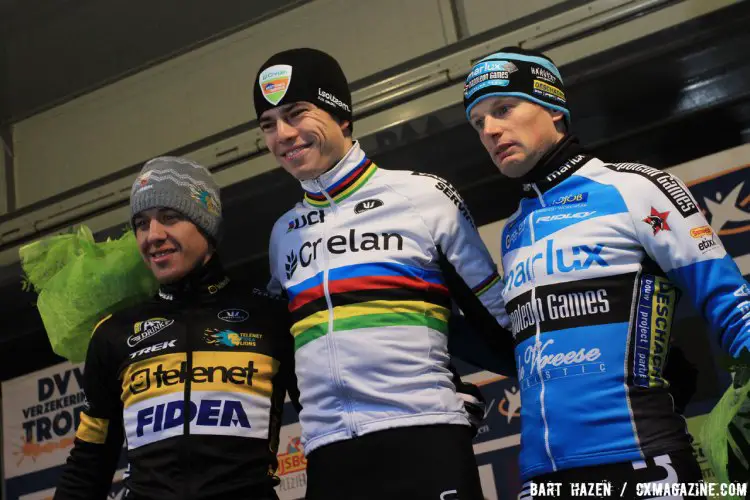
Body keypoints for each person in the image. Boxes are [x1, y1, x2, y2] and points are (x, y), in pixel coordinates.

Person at [463, 46, 750, 498]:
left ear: (553, 108)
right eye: (478, 122)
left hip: (641, 460)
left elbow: (729, 300)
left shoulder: (634, 188)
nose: (491, 130)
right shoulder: (516, 229)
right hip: (541, 476)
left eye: (502, 108)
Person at [254, 48, 515, 500]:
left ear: (341, 116)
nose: (284, 134)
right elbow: (294, 356)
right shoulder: (283, 235)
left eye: (297, 113)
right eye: (268, 124)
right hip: (330, 454)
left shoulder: (423, 196)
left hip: (424, 438)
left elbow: (497, 319)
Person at [54, 156, 297, 500]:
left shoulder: (271, 315)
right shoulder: (114, 333)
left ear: (206, 224)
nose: (152, 235)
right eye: (141, 223)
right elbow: (89, 461)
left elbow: (322, 424)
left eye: (170, 217)